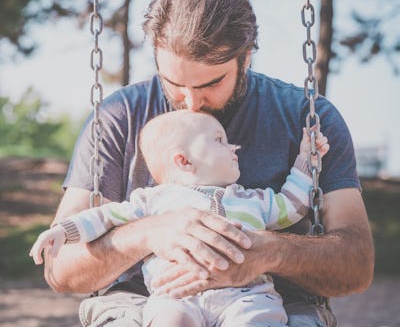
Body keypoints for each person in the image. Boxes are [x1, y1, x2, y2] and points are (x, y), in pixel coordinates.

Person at [44, 0, 374, 327]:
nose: (190, 102)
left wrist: (266, 251)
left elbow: (356, 264)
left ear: (246, 57)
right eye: (174, 83)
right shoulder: (119, 116)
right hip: (148, 301)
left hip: (265, 300)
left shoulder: (306, 116)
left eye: (210, 83)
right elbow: (60, 267)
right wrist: (150, 232)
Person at [31, 110, 330, 327]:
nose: (233, 147)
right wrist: (63, 230)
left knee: (257, 321)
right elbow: (104, 217)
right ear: (184, 161)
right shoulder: (152, 201)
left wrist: (306, 161)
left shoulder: (253, 199)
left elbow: (291, 205)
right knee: (168, 321)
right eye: (219, 140)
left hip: (247, 295)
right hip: (176, 297)